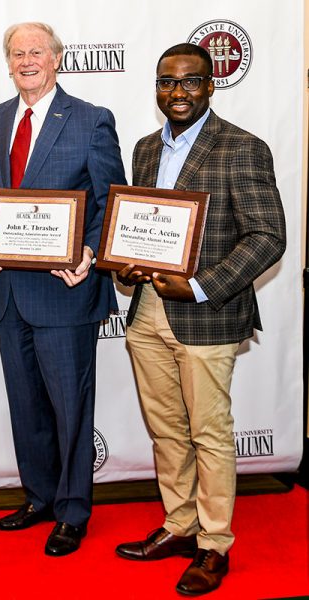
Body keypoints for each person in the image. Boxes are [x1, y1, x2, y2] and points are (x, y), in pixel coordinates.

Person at [114, 43, 286, 596]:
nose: (178, 92)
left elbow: (267, 237)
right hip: (148, 314)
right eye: (167, 82)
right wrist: (124, 266)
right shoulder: (144, 149)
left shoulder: (242, 148)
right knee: (167, 430)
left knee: (209, 433)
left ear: (211, 86)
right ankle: (180, 525)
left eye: (190, 82)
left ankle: (214, 544)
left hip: (206, 315)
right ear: (157, 87)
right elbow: (138, 225)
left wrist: (199, 285)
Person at [0, 22, 126, 556]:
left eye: (37, 51)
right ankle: (39, 498)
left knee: (70, 408)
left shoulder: (90, 120)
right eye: (17, 53)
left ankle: (73, 511)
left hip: (67, 291)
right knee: (26, 405)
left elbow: (109, 203)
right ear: (7, 62)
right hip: (9, 293)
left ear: (57, 59)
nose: (27, 60)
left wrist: (88, 253)